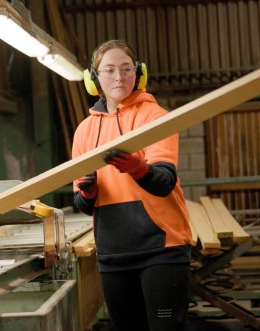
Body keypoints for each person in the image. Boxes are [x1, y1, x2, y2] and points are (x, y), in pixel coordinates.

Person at [72, 39, 192, 331]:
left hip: (162, 248)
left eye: (127, 69)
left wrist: (139, 170)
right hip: (114, 253)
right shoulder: (85, 130)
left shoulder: (155, 117)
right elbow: (82, 203)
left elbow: (164, 182)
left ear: (139, 73)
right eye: (109, 70)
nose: (119, 77)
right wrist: (88, 191)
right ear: (93, 78)